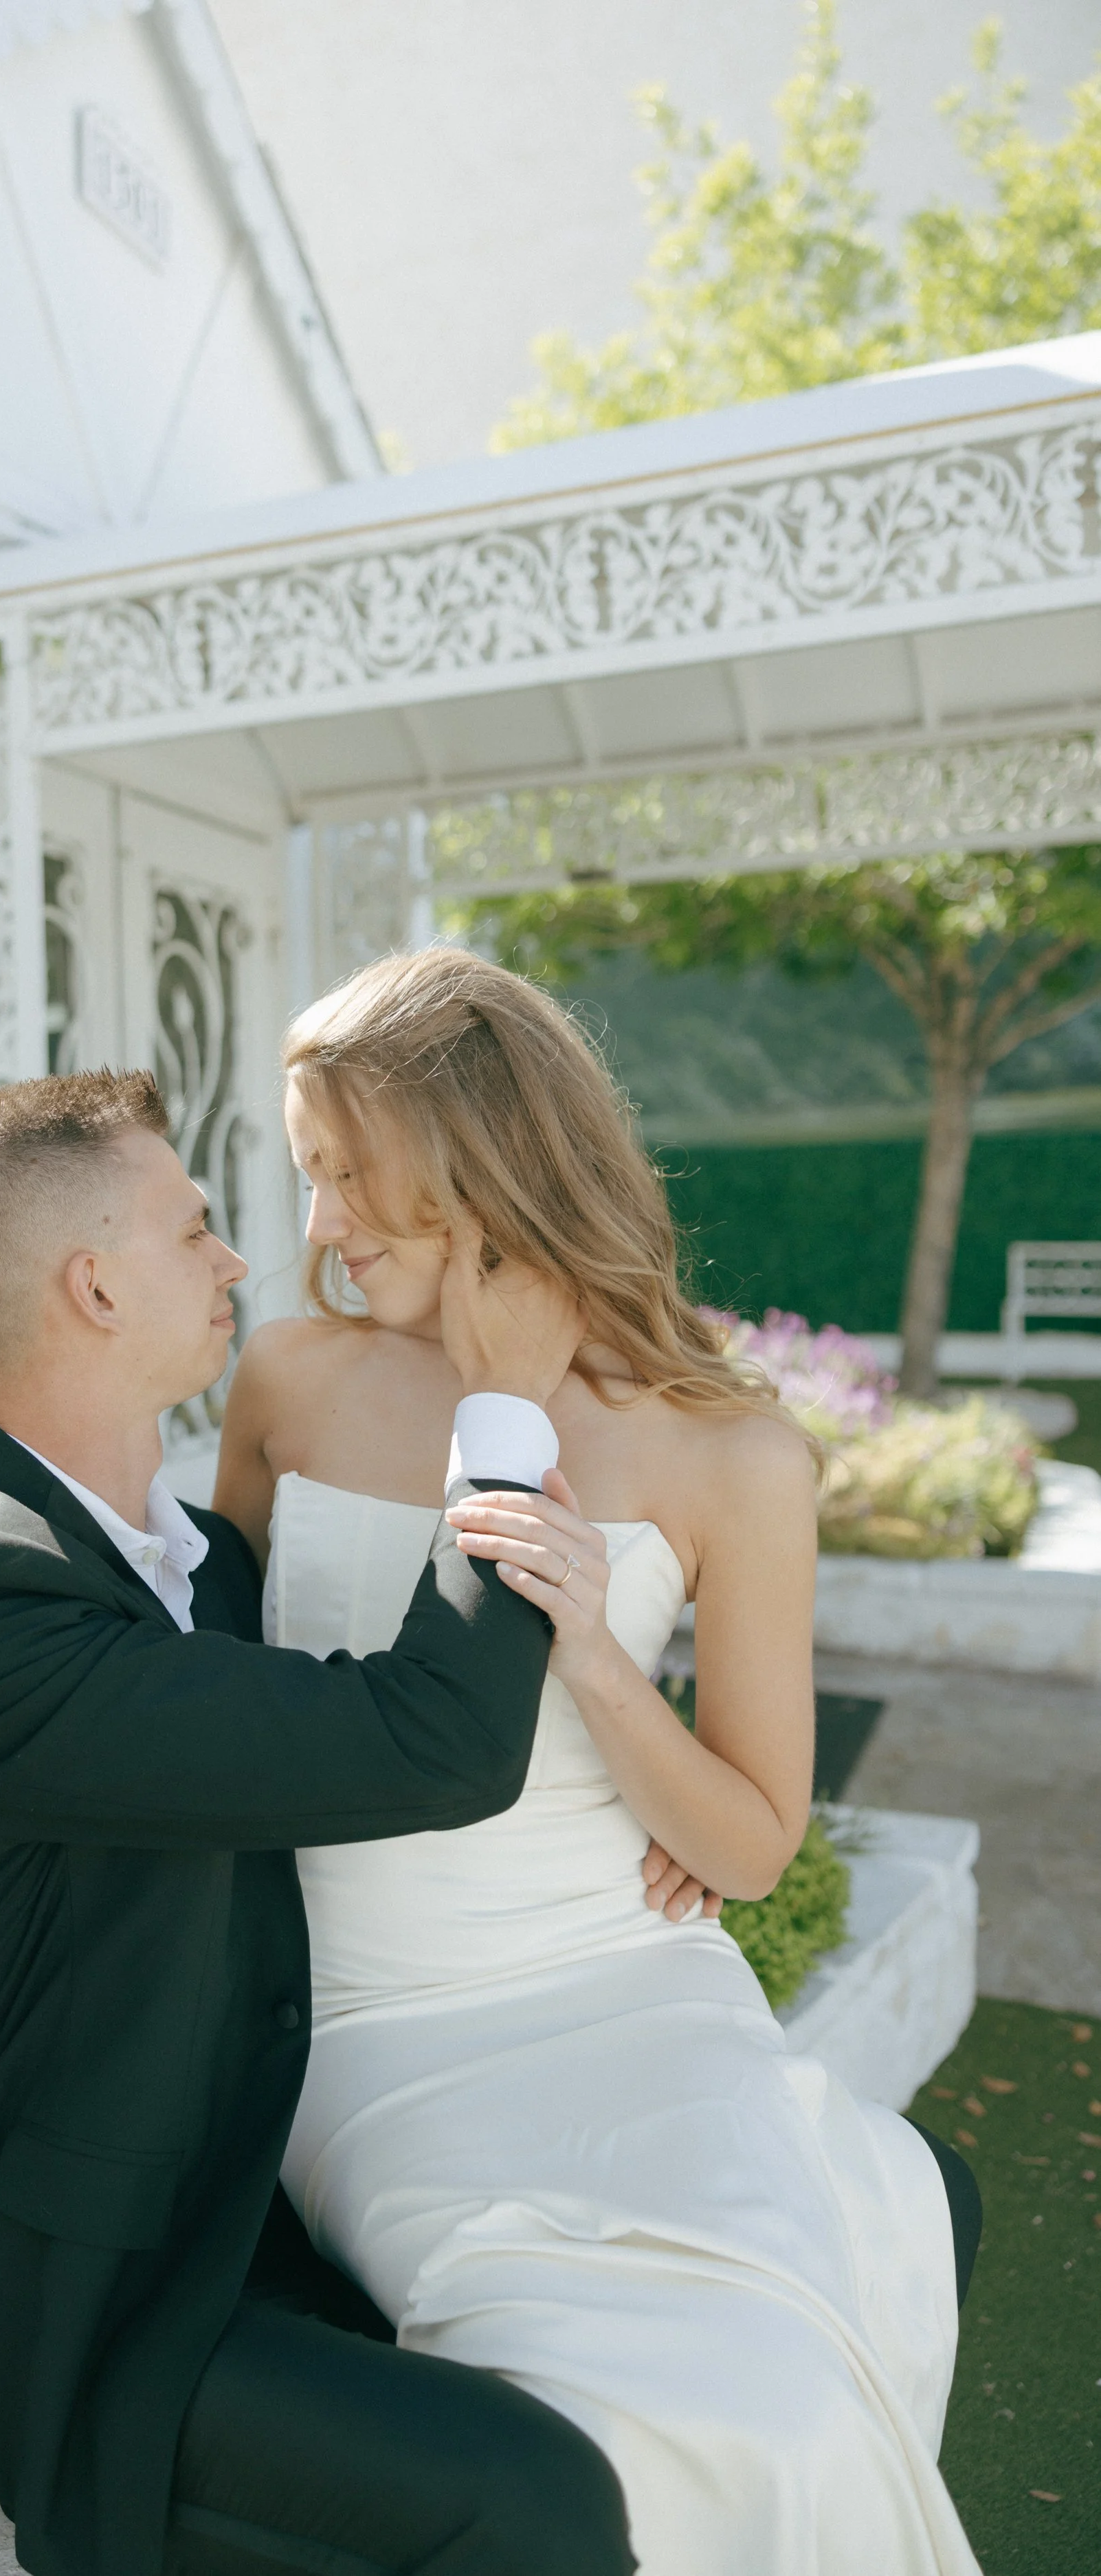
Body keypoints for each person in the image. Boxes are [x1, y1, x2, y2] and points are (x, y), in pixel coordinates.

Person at [211, 947, 983, 2576]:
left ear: (478, 1159)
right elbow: (202, 1696)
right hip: (370, 2024)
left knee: (786, 2390)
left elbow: (753, 1840)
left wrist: (591, 1659)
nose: (323, 1221)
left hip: (629, 1991)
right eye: (309, 1172)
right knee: (611, 2417)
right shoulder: (287, 1381)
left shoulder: (731, 1453)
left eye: (353, 1173)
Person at [0, 1066, 641, 2576]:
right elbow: (436, 1739)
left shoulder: (197, 1558)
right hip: (115, 2302)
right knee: (536, 2501)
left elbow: (314, 1770)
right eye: (195, 1227)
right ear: (91, 1285)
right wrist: (506, 1408)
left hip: (292, 2183)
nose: (236, 1260)